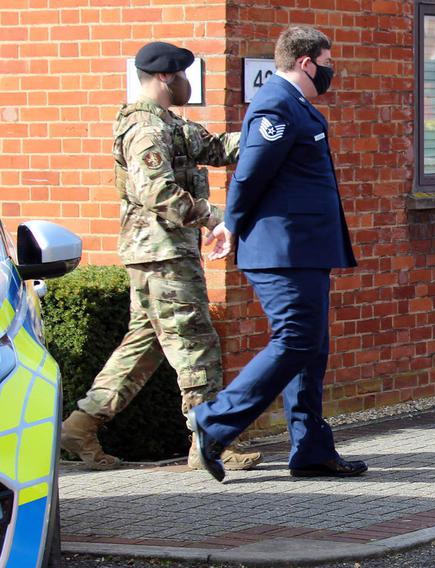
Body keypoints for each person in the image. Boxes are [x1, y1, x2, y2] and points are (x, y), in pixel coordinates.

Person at [60, 41, 261, 472]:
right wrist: (212, 217)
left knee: (145, 345)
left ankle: (80, 425)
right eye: (184, 74)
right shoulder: (145, 130)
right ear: (167, 77)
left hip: (159, 253)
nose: (189, 82)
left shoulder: (169, 124)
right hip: (162, 254)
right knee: (196, 343)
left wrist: (268, 130)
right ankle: (210, 441)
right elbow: (157, 191)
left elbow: (218, 148)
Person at [187, 26, 366, 482]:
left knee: (313, 348)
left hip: (303, 249)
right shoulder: (276, 105)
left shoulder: (296, 105)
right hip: (281, 251)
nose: (331, 72)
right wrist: (230, 223)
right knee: (295, 340)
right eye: (327, 64)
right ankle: (215, 420)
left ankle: (309, 449)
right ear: (306, 63)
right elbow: (249, 174)